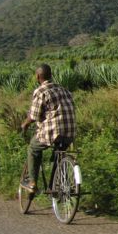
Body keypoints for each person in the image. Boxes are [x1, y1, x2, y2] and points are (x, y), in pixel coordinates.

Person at [20, 63, 76, 193]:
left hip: (53, 132)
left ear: (38, 76)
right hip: (70, 132)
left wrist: (25, 124)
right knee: (59, 154)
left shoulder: (41, 91)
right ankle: (55, 186)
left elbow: (34, 116)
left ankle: (32, 182)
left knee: (33, 148)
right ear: (50, 75)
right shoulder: (64, 89)